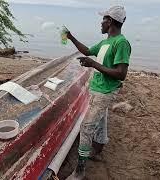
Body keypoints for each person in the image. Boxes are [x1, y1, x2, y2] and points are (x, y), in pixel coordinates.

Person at [66, 6, 131, 179]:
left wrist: (93, 64)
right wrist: (71, 37)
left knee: (86, 127)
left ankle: (79, 171)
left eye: (103, 19)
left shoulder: (121, 43)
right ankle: (98, 149)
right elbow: (87, 51)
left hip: (106, 92)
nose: (100, 22)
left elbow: (121, 74)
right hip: (96, 88)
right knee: (100, 120)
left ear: (110, 21)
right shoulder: (105, 42)